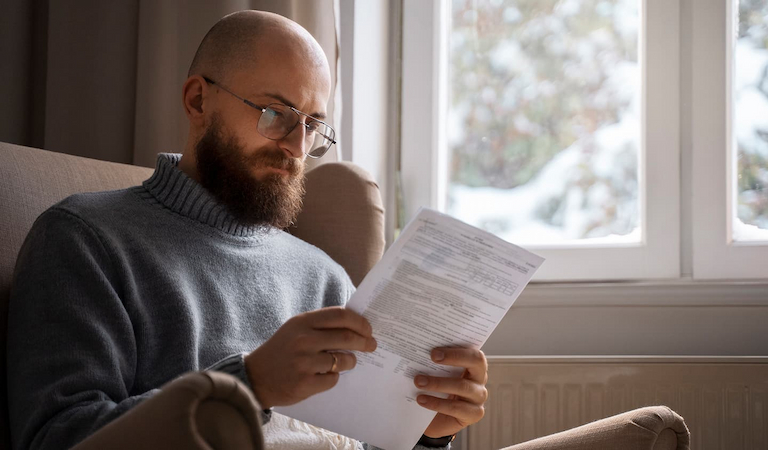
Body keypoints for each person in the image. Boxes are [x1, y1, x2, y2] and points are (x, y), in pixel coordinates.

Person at [7, 10, 488, 450]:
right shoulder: (85, 239)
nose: (297, 147)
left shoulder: (324, 278)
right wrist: (249, 384)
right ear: (198, 100)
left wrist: (424, 433)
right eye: (275, 114)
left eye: (313, 124)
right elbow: (59, 439)